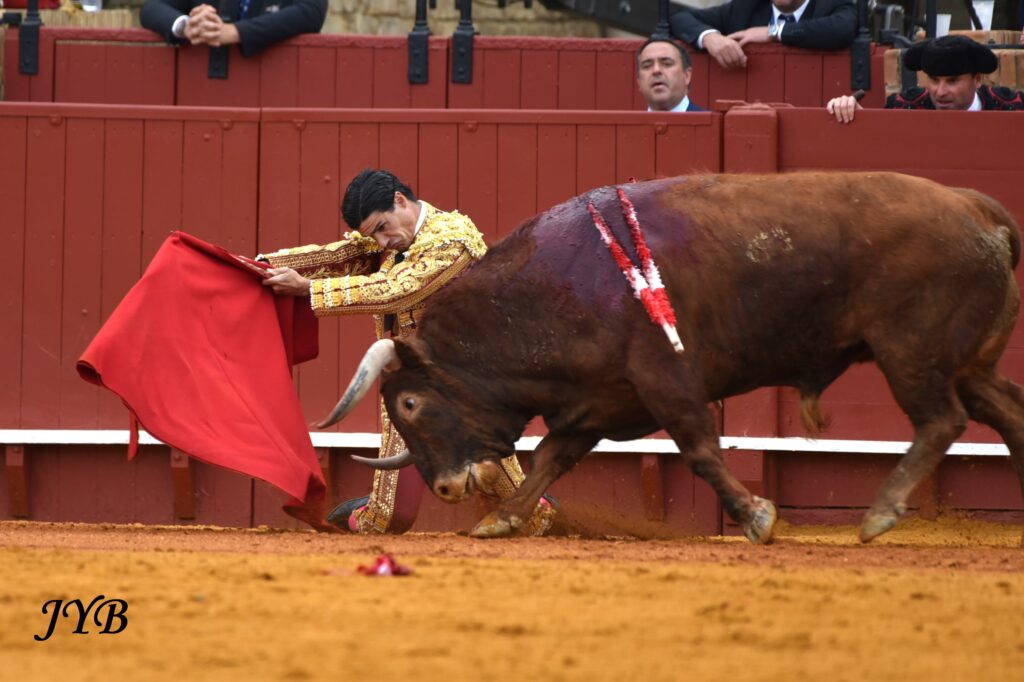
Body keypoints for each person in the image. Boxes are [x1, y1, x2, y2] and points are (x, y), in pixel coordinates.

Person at [255, 169, 557, 536]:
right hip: (415, 383)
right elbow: (343, 255)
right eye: (374, 235)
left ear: (400, 200)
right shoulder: (391, 236)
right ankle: (354, 517)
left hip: (471, 382)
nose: (382, 242)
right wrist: (260, 265)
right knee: (386, 519)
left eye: (383, 228)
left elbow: (396, 290)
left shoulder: (452, 240)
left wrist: (310, 290)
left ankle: (538, 510)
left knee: (526, 518)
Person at [826, 35, 1024, 123]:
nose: (940, 92)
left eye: (952, 81)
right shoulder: (904, 107)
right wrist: (851, 111)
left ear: (977, 79)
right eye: (934, 80)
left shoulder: (1012, 107)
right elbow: (877, 140)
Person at [670, 0, 857, 70]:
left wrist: (773, 32)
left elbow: (843, 28)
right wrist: (710, 38)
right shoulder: (746, 7)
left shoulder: (831, 4)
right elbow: (678, 18)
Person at [140, 0, 327, 57]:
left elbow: (312, 12)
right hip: (207, 94)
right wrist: (188, 26)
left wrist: (235, 32)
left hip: (278, 92)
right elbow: (152, 8)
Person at [636, 38, 706, 112]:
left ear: (686, 76)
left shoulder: (709, 119)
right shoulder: (629, 120)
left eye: (667, 64)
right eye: (647, 66)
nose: (656, 70)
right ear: (639, 81)